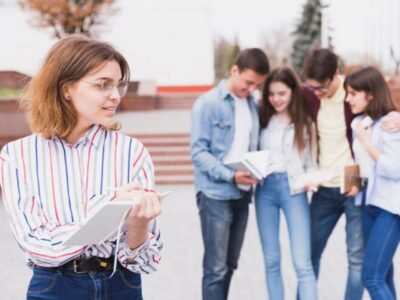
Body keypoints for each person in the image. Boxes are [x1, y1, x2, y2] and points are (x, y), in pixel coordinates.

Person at [0, 35, 163, 300]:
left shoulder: (132, 153)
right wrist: (109, 206)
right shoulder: (18, 156)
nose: (115, 96)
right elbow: (37, 245)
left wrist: (138, 226)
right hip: (55, 287)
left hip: (121, 284)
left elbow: (146, 261)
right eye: (103, 85)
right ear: (66, 88)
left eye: (118, 85)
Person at [190, 48, 269, 300]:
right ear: (234, 70)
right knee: (215, 269)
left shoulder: (252, 105)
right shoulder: (208, 103)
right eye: (248, 82)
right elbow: (198, 152)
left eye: (257, 85)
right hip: (215, 195)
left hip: (244, 194)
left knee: (231, 265)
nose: (251, 88)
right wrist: (231, 176)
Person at [302, 48, 365, 300]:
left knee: (356, 259)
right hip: (323, 190)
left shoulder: (353, 93)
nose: (316, 93)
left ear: (335, 75)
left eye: (321, 87)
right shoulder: (310, 96)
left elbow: (381, 113)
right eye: (312, 87)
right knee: (309, 256)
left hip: (352, 188)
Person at [256, 67, 318, 300]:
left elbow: (311, 164)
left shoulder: (305, 123)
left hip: (295, 190)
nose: (276, 99)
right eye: (271, 94)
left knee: (302, 263)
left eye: (281, 93)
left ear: (293, 91)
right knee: (272, 261)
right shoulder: (263, 120)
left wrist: (311, 180)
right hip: (265, 191)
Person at [344, 66, 400, 300]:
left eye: (353, 93)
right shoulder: (360, 123)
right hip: (368, 204)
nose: (348, 99)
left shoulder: (391, 125)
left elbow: (394, 169)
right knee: (384, 275)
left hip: (391, 207)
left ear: (372, 94)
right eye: (347, 93)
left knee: (371, 277)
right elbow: (357, 161)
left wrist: (368, 143)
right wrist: (352, 183)